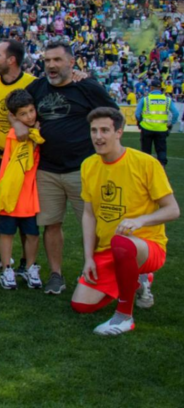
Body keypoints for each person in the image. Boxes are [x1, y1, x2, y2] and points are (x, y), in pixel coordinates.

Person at [19, 41, 117, 295]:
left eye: (57, 60)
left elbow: (113, 116)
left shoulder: (87, 86)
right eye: (47, 60)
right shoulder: (38, 87)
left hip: (83, 169)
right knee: (51, 224)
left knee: (97, 225)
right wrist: (19, 125)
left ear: (72, 63)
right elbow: (14, 105)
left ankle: (99, 271)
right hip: (47, 169)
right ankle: (56, 274)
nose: (51, 65)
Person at [71, 107, 179, 335]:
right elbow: (89, 214)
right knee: (81, 305)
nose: (98, 137)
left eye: (105, 130)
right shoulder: (88, 165)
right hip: (108, 249)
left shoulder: (145, 163)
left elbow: (172, 210)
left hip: (146, 246)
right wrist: (89, 258)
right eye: (93, 130)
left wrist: (141, 221)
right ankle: (137, 281)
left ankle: (124, 317)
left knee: (121, 242)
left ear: (119, 132)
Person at [0, 40, 36, 273]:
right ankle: (1, 254)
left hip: (21, 158)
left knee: (24, 212)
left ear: (11, 60)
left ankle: (26, 261)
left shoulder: (33, 84)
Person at [0, 90, 43, 290]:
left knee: (32, 234)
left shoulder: (28, 130)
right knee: (7, 233)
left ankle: (30, 267)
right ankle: (7, 269)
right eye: (23, 114)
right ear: (14, 116)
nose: (29, 117)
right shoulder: (18, 134)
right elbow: (28, 153)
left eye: (31, 111)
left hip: (29, 194)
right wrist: (34, 133)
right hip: (11, 192)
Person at [136, 78, 178, 166]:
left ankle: (146, 169)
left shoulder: (145, 99)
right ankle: (162, 168)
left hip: (147, 128)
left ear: (151, 88)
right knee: (161, 151)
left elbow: (137, 114)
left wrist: (140, 121)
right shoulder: (167, 100)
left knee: (146, 152)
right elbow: (176, 113)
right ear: (160, 88)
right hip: (161, 129)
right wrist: (171, 123)